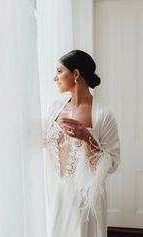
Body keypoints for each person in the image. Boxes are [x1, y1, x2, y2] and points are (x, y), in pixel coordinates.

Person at [43, 50, 120, 237]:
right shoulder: (54, 108)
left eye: (59, 71)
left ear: (75, 74)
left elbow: (111, 164)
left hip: (84, 201)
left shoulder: (103, 115)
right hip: (55, 195)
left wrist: (87, 138)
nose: (55, 78)